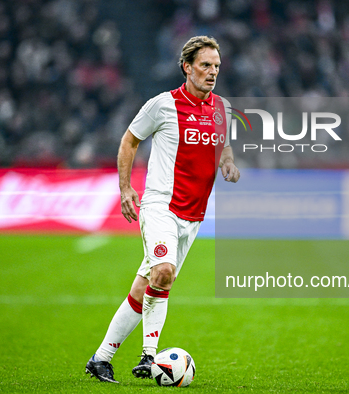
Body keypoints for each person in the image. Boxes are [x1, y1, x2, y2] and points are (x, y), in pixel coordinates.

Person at [85, 35, 240, 384]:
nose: (212, 72)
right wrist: (125, 188)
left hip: (193, 216)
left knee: (148, 285)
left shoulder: (223, 109)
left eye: (216, 66)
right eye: (205, 65)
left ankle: (101, 359)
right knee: (164, 272)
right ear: (187, 67)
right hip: (161, 207)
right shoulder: (162, 105)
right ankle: (149, 357)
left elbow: (224, 147)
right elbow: (130, 139)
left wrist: (227, 164)